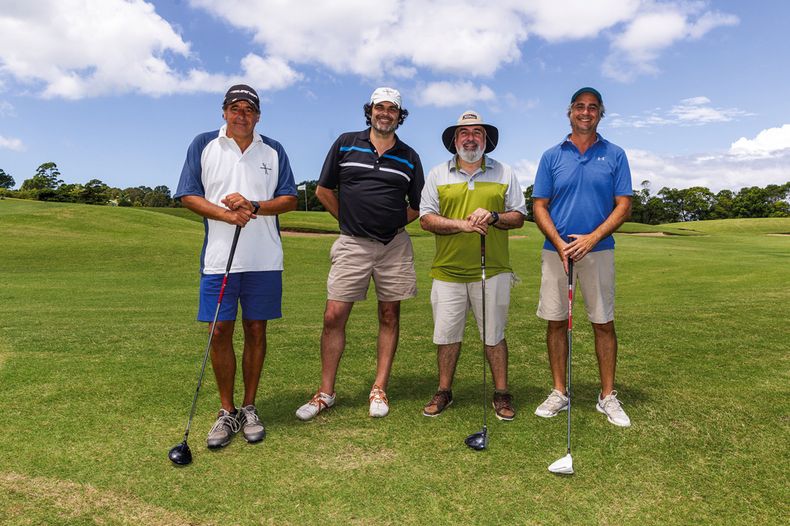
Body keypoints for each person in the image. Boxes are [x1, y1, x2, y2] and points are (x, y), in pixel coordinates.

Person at [174, 84, 298, 448]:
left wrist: (254, 206)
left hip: (264, 259)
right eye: (235, 108)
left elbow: (289, 198)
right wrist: (227, 215)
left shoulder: (273, 149)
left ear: (258, 115)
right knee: (220, 331)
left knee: (256, 330)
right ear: (224, 111)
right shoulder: (203, 144)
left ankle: (249, 407)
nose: (241, 114)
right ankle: (226, 411)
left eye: (249, 109)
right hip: (218, 260)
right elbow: (188, 194)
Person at [295, 87, 424, 420]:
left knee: (389, 315)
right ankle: (326, 392)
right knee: (334, 315)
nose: (385, 113)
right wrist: (348, 220)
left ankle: (379, 387)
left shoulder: (409, 156)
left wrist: (392, 222)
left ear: (400, 115)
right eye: (379, 108)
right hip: (352, 243)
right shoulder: (346, 143)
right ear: (370, 111)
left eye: (392, 109)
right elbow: (323, 190)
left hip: (393, 245)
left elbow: (418, 206)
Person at [532, 87, 633, 427]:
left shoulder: (615, 154)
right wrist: (561, 244)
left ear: (600, 113)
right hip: (556, 252)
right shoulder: (551, 156)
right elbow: (539, 206)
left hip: (598, 251)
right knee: (556, 321)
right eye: (579, 107)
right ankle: (560, 391)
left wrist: (592, 238)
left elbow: (624, 205)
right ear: (570, 112)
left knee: (603, 323)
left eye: (592, 107)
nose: (585, 112)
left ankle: (607, 396)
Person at [419, 110, 526, 421]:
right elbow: (426, 218)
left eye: (477, 132)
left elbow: (518, 216)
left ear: (486, 139)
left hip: (492, 270)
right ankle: (443, 390)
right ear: (454, 140)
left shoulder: (504, 172)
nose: (470, 138)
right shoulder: (438, 174)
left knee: (494, 334)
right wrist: (461, 225)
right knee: (447, 335)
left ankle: (502, 393)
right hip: (448, 271)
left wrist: (493, 216)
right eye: (464, 133)